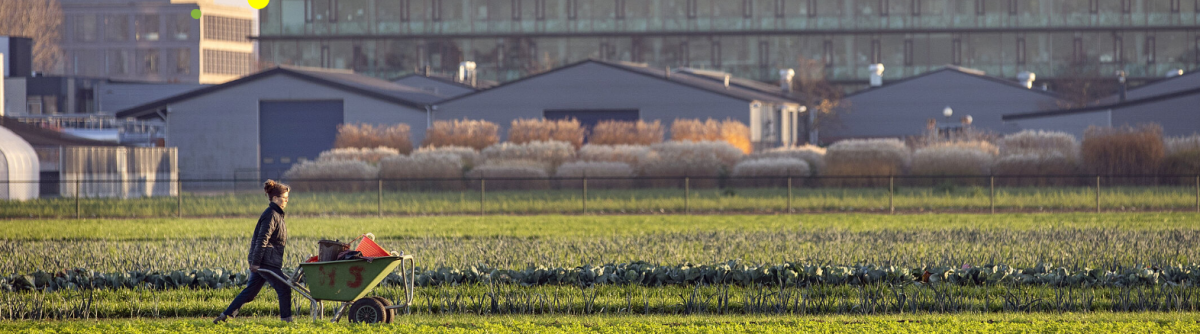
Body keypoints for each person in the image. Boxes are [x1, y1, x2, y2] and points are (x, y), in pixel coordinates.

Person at [214, 180, 293, 324]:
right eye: (284, 198)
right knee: (284, 288)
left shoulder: (277, 214)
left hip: (265, 260)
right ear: (275, 198)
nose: (286, 201)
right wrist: (256, 263)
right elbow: (262, 239)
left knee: (250, 293)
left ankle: (224, 316)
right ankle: (287, 322)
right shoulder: (271, 215)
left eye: (287, 198)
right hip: (266, 261)